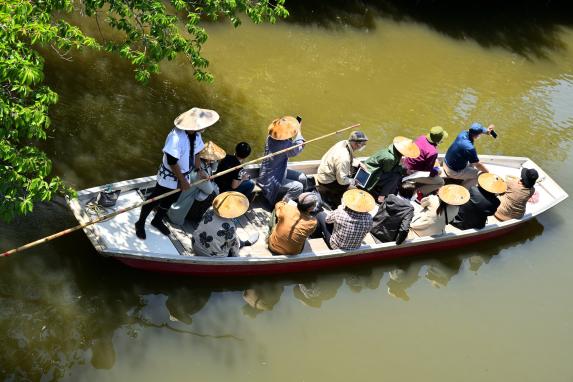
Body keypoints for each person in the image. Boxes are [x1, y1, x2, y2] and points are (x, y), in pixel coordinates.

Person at [134, 107, 216, 239]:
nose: (203, 127)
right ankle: (140, 222)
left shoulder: (196, 135)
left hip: (185, 173)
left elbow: (196, 153)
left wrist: (199, 170)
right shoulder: (176, 138)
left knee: (171, 199)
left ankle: (157, 220)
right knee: (155, 198)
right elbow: (172, 162)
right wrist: (183, 181)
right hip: (170, 176)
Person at [257, 116, 308, 205]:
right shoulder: (284, 145)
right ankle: (282, 205)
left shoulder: (271, 137)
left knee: (302, 177)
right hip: (271, 178)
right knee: (298, 187)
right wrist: (299, 131)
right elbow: (297, 148)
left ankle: (303, 198)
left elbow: (291, 144)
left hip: (279, 170)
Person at [192, 192, 259, 257]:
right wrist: (237, 258)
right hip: (211, 256)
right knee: (232, 241)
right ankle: (243, 243)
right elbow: (233, 248)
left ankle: (241, 242)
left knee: (231, 236)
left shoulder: (210, 209)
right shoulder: (230, 226)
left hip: (195, 244)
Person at [315, 131, 368, 206]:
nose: (364, 146)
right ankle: (337, 204)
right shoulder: (344, 158)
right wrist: (353, 181)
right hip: (327, 181)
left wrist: (359, 163)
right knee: (354, 190)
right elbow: (342, 181)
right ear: (357, 144)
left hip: (324, 172)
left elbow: (349, 157)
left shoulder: (343, 143)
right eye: (363, 144)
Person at [362, 136, 420, 202]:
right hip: (372, 174)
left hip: (379, 170)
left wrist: (402, 169)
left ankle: (387, 194)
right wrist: (401, 166)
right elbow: (387, 170)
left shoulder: (392, 149)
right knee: (395, 177)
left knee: (398, 174)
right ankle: (382, 196)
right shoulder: (390, 158)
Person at [183, 141, 226, 224]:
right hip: (191, 194)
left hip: (198, 188)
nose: (213, 159)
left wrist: (215, 160)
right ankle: (194, 216)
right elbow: (209, 190)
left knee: (214, 190)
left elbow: (214, 169)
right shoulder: (200, 169)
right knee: (212, 194)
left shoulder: (202, 162)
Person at [443, 122, 495, 189]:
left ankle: (466, 178)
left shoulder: (463, 133)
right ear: (477, 135)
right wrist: (487, 172)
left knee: (471, 162)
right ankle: (462, 189)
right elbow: (478, 165)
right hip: (452, 172)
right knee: (481, 175)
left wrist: (487, 131)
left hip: (446, 162)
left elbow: (476, 131)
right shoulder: (469, 148)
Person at [404, 126, 448, 196]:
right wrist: (436, 171)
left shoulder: (422, 137)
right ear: (439, 140)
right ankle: (418, 193)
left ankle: (419, 184)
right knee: (441, 182)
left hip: (406, 165)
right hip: (412, 173)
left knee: (437, 169)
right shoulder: (433, 152)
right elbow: (428, 172)